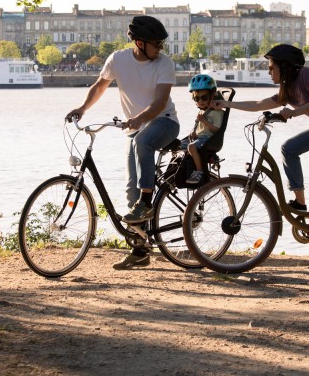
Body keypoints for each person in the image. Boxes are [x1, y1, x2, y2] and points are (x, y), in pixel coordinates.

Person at [210, 44, 309, 270]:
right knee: (289, 148)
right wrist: (227, 104)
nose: (269, 71)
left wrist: (294, 112)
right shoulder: (287, 89)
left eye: (271, 67)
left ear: (284, 67)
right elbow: (259, 104)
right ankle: (301, 203)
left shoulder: (304, 75)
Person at [66, 15, 180, 270]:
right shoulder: (117, 60)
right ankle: (140, 251)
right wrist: (82, 109)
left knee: (143, 144)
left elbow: (160, 103)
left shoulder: (164, 64)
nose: (160, 49)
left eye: (161, 44)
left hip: (165, 123)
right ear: (139, 43)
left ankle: (147, 204)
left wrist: (138, 118)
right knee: (131, 192)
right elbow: (100, 86)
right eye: (156, 44)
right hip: (135, 132)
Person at [179, 74, 225, 186]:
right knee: (178, 145)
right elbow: (201, 129)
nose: (200, 101)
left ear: (212, 95)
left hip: (210, 139)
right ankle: (184, 169)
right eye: (197, 98)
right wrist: (194, 133)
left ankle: (200, 172)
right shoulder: (202, 111)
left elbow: (217, 131)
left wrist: (204, 121)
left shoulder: (217, 112)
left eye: (204, 98)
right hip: (201, 138)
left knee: (191, 146)